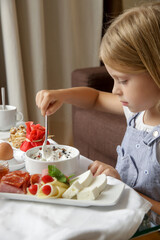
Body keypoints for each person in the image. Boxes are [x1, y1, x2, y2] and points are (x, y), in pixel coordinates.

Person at [36, 2, 160, 225]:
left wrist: (121, 189)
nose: (114, 90)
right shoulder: (138, 113)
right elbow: (94, 98)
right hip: (120, 215)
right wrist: (61, 94)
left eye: (123, 80)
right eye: (113, 79)